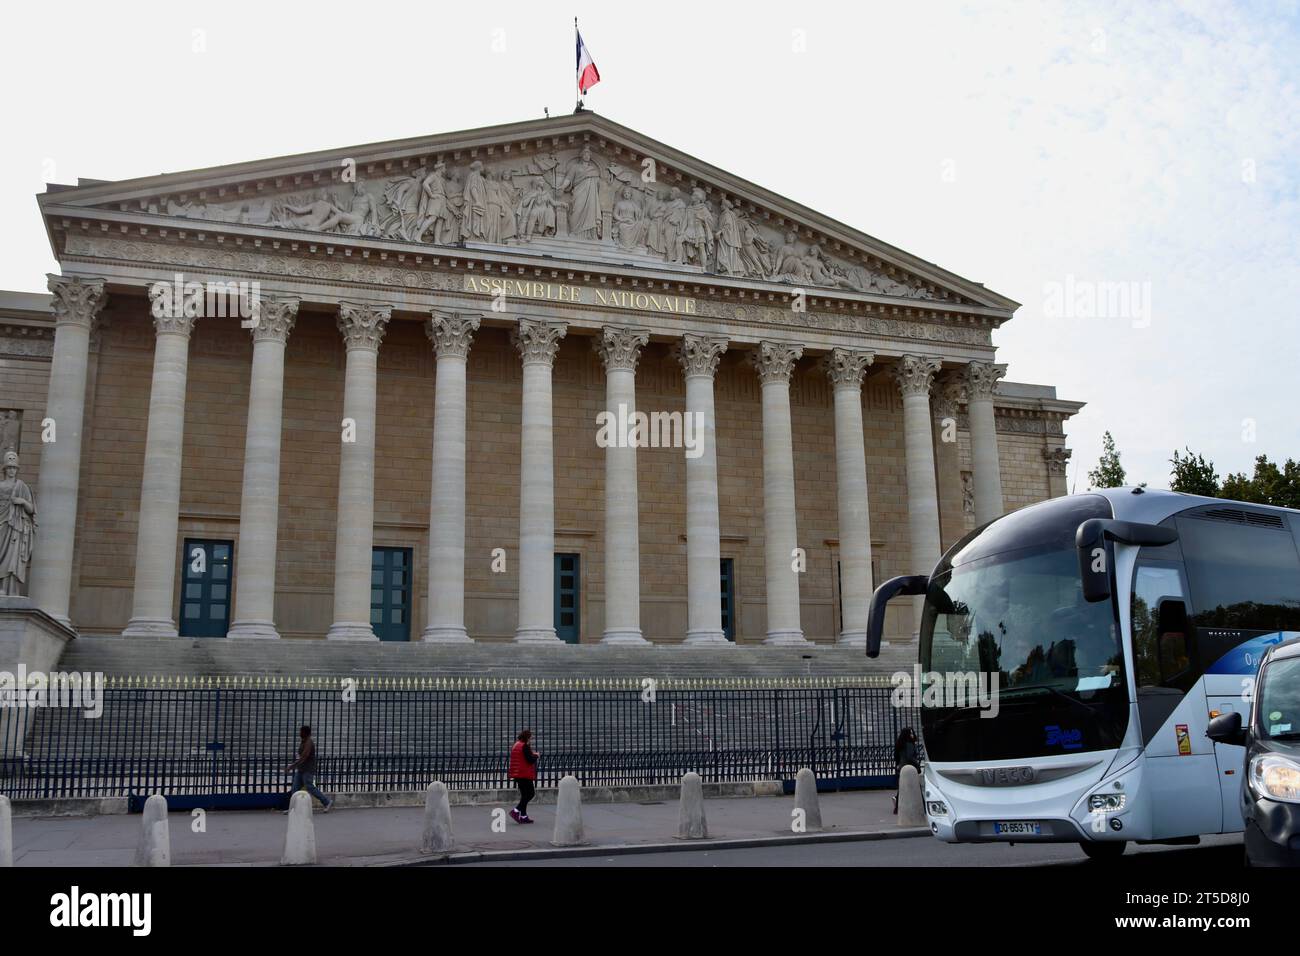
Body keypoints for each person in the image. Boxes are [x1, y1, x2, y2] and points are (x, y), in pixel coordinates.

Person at [285, 724, 332, 812]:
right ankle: (292, 808)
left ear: (305, 733)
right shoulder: (303, 741)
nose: (299, 733)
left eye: (301, 731)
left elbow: (304, 756)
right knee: (295, 788)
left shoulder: (309, 742)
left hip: (308, 769)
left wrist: (292, 766)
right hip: (301, 769)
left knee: (310, 787)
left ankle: (327, 802)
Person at [508, 728, 539, 824]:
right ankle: (516, 811)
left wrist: (532, 754)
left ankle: (524, 816)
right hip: (524, 774)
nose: (531, 740)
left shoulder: (516, 745)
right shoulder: (524, 746)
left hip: (517, 773)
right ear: (527, 737)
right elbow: (529, 760)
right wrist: (536, 756)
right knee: (530, 793)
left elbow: (522, 757)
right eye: (530, 738)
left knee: (524, 795)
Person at [892, 726, 921, 814]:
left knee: (902, 787)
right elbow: (910, 757)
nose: (912, 735)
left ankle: (897, 807)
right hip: (910, 767)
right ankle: (921, 806)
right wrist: (917, 765)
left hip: (902, 767)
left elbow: (896, 756)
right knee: (917, 787)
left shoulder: (900, 743)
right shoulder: (909, 744)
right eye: (911, 733)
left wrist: (898, 765)